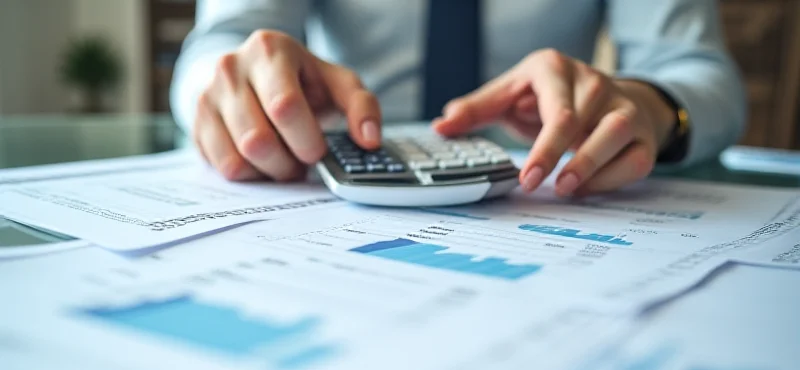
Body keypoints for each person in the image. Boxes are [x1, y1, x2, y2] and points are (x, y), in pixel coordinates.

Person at [171, 0, 746, 197]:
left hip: (539, 177)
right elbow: (221, 44)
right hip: (336, 168)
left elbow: (698, 70)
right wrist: (231, 93)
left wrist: (650, 104)